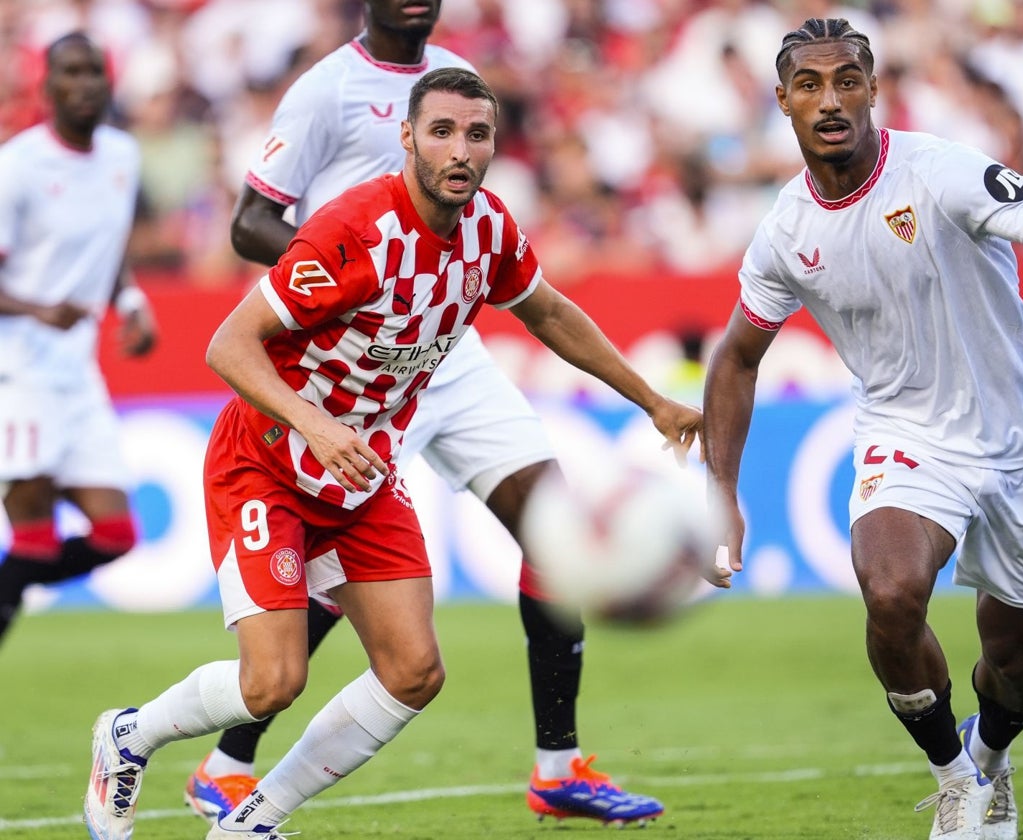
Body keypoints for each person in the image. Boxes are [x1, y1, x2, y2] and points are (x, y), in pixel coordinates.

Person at [84, 67, 704, 840]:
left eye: (476, 135)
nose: (460, 150)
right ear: (407, 138)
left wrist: (651, 399)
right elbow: (228, 343)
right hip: (269, 456)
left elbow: (546, 308)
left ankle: (252, 819)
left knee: (414, 672)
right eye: (441, 131)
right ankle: (128, 737)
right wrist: (314, 423)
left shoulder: (490, 230)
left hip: (363, 470)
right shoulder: (352, 231)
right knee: (272, 681)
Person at [702, 19, 1023, 840]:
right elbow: (736, 360)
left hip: (1022, 435)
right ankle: (955, 781)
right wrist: (720, 491)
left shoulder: (938, 173)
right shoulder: (786, 231)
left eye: (848, 80)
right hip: (907, 433)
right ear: (781, 101)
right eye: (811, 84)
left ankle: (992, 759)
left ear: (872, 88)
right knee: (889, 592)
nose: (831, 99)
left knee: (1015, 663)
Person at [0, 32, 156, 649]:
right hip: (18, 369)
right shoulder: (18, 167)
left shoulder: (121, 154)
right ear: (47, 86)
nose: (86, 83)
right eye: (72, 72)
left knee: (116, 534)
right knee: (34, 540)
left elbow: (111, 242)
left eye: (95, 71)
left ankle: (7, 591)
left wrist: (131, 301)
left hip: (78, 371)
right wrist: (38, 308)